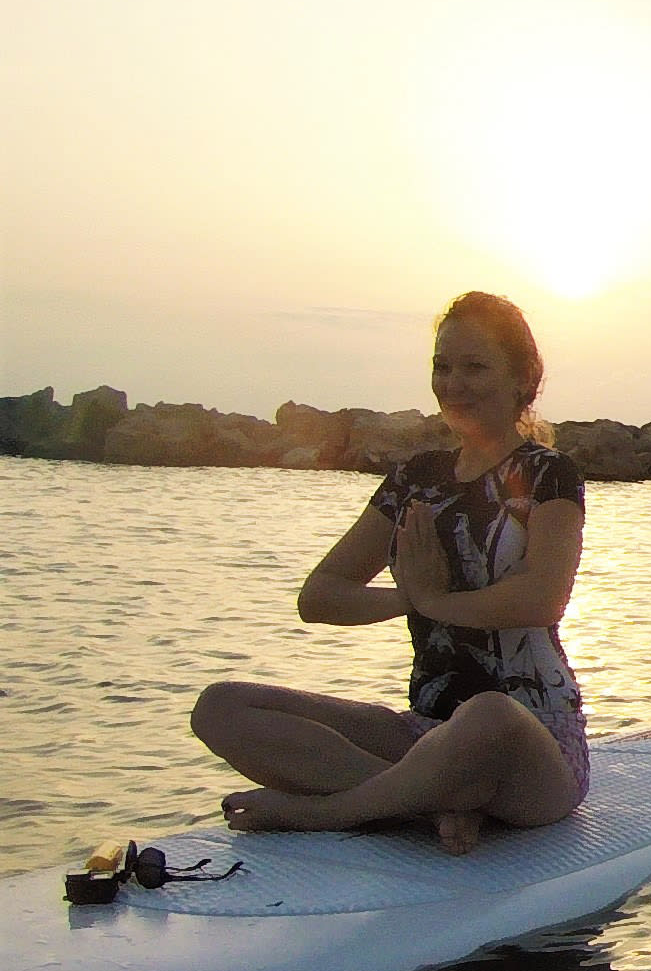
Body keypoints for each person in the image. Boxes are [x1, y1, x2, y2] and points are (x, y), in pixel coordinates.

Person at [191, 293, 593, 854]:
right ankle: (431, 808)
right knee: (223, 706)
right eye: (442, 366)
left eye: (475, 367)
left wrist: (431, 598)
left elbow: (541, 600)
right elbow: (321, 597)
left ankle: (332, 812)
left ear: (522, 378)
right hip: (424, 734)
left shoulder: (549, 473)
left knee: (488, 714)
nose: (454, 383)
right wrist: (412, 599)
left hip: (529, 743)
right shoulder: (416, 479)